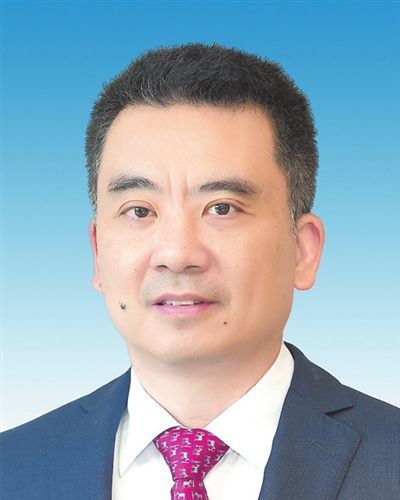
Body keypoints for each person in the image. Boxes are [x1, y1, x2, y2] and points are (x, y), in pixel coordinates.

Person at [1, 43, 398, 500]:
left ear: (303, 251)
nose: (176, 254)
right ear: (97, 252)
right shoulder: (13, 468)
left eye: (221, 207)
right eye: (139, 210)